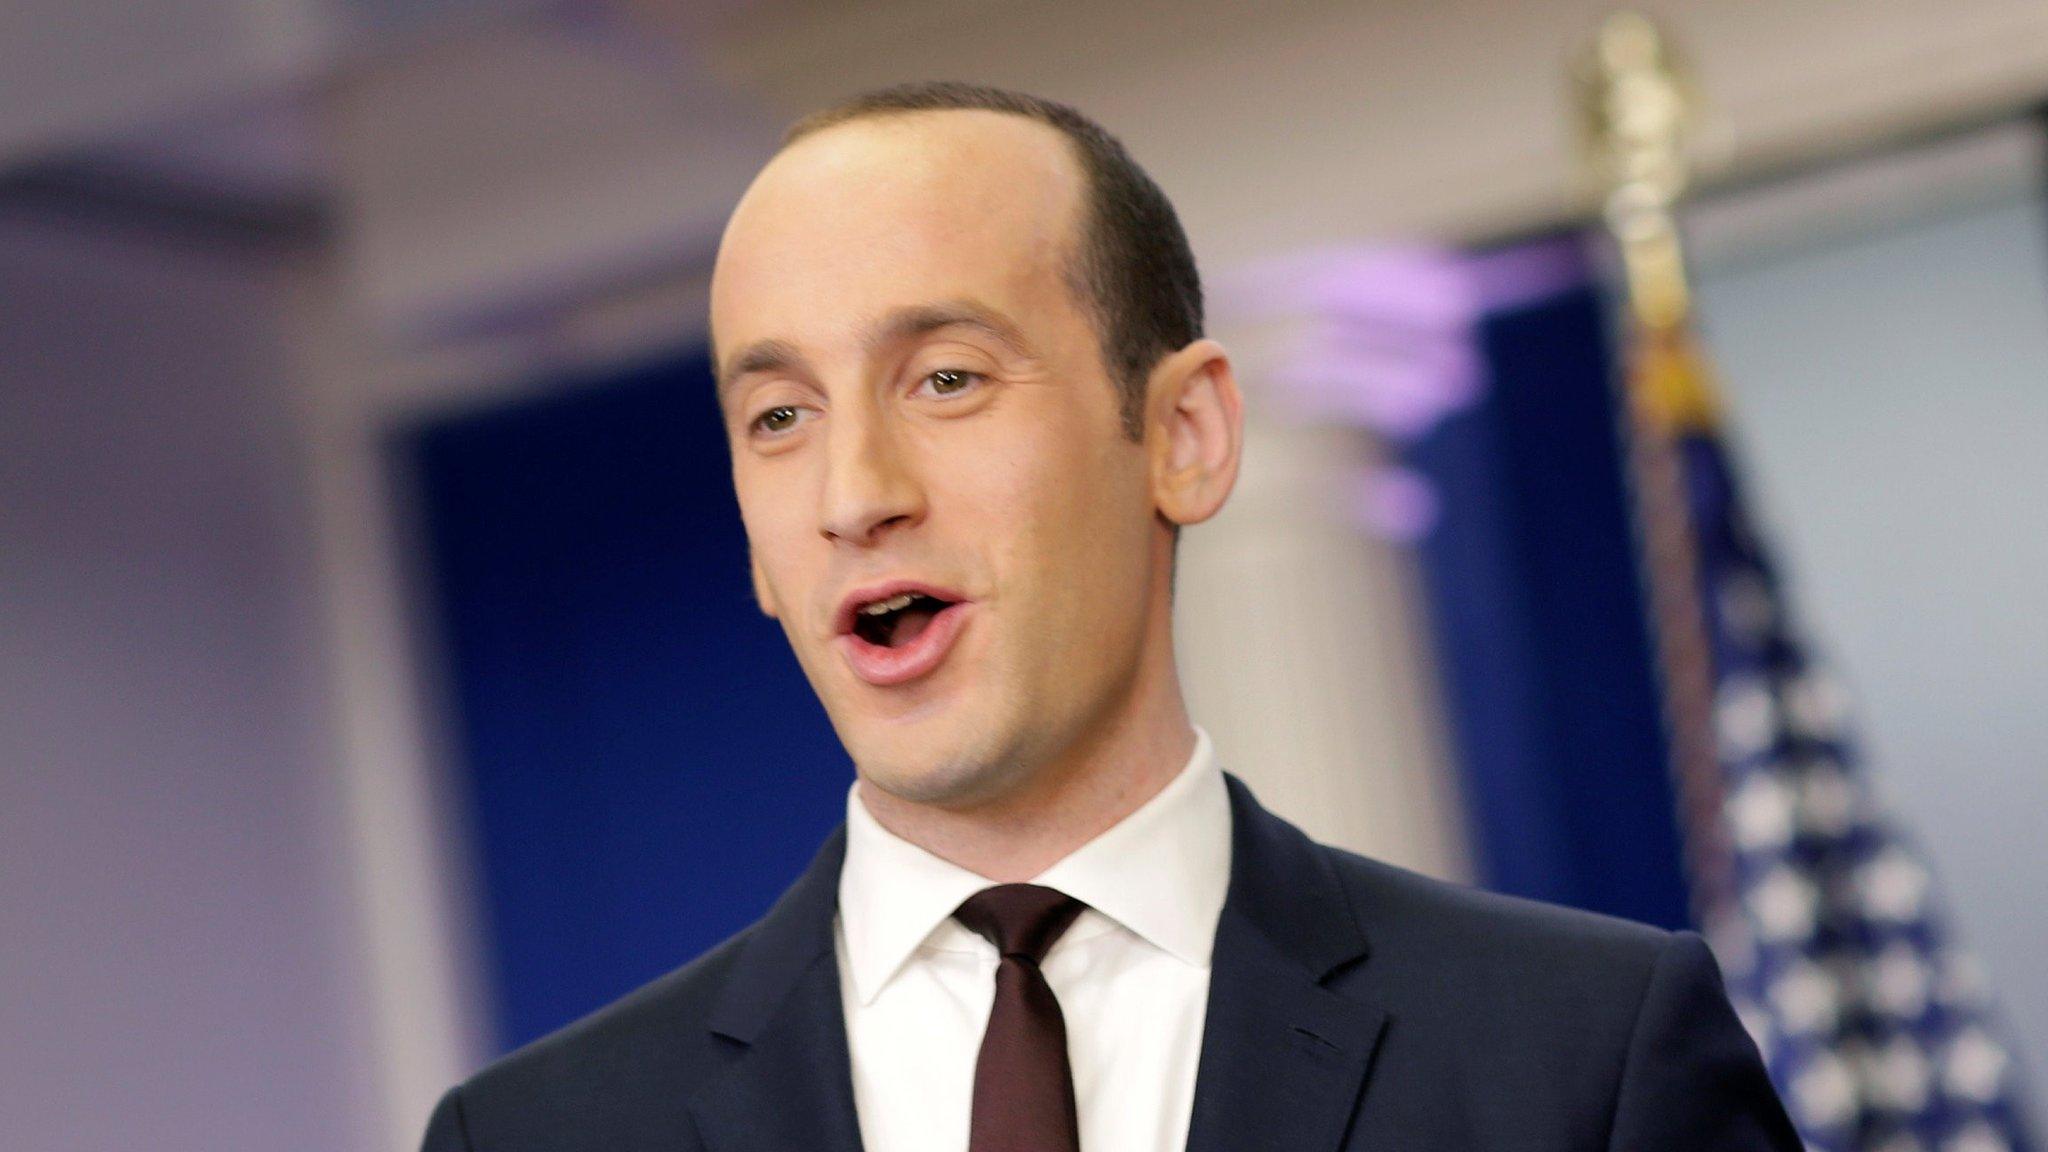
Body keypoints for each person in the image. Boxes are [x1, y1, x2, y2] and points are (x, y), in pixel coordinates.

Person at [419, 82, 1801, 1152]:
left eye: (946, 379)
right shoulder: (538, 1136)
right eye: (778, 417)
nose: (854, 493)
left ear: (1184, 434)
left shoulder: (1578, 1061)